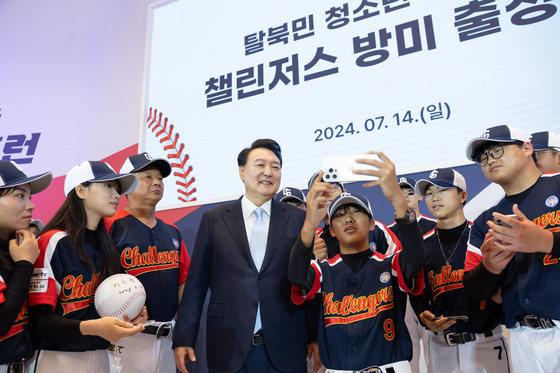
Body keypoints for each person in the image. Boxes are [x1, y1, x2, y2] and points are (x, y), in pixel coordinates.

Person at [173, 139, 313, 373]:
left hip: (286, 342)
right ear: (242, 172)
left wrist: (314, 337)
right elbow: (196, 284)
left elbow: (310, 282)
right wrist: (184, 337)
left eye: (275, 167)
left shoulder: (298, 219)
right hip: (229, 345)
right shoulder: (214, 219)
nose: (268, 172)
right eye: (260, 165)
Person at [289, 151, 425, 372]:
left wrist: (397, 200)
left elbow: (416, 258)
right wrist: (309, 222)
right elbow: (296, 275)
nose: (349, 217)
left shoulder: (389, 265)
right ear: (331, 230)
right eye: (340, 214)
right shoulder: (323, 271)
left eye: (356, 211)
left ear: (372, 224)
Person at [28, 160, 145, 373]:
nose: (117, 195)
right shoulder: (53, 241)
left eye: (117, 189)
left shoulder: (107, 245)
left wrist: (133, 314)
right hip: (57, 358)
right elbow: (38, 321)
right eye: (108, 186)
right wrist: (92, 327)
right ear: (81, 190)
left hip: (101, 356)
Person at [463, 125, 560, 373]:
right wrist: (490, 267)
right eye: (483, 158)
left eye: (497, 151)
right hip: (521, 336)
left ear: (527, 148)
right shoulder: (486, 220)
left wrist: (546, 241)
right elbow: (476, 290)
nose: (489, 160)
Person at [410, 168, 509, 373]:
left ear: (462, 195)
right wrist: (423, 315)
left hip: (486, 343)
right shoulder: (422, 246)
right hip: (441, 348)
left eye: (442, 190)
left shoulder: (483, 237)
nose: (435, 197)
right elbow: (417, 294)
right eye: (429, 193)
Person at [105, 152, 190, 373]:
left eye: (160, 178)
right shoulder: (110, 225)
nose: (156, 182)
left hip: (167, 338)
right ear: (128, 184)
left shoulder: (173, 231)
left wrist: (184, 333)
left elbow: (183, 283)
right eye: (147, 177)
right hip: (126, 338)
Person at [0, 161, 52, 373]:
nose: (30, 205)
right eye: (20, 195)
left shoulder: (16, 247)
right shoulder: (23, 255)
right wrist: (24, 264)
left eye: (29, 197)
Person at [387, 176, 436, 373]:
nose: (405, 197)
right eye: (400, 194)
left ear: (419, 196)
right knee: (410, 357)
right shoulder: (388, 232)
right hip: (403, 299)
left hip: (429, 295)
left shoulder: (434, 225)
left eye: (409, 192)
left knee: (435, 352)